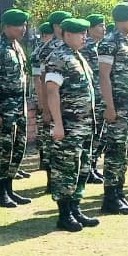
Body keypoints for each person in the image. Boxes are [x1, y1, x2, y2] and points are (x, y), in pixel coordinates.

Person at [45, 18, 100, 232]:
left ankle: (76, 209)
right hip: (69, 126)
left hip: (84, 125)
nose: (84, 36)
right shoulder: (58, 57)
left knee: (82, 168)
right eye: (80, 33)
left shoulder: (77, 57)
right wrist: (58, 124)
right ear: (67, 34)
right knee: (66, 169)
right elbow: (52, 91)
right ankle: (64, 214)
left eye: (85, 33)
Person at [97, 3, 128, 215]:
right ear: (124, 19)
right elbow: (104, 76)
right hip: (118, 107)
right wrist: (109, 107)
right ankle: (110, 197)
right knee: (115, 152)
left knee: (127, 150)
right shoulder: (110, 42)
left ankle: (119, 193)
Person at [0, 8, 32, 208]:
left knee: (18, 149)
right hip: (4, 109)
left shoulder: (17, 47)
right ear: (6, 27)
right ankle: (0, 193)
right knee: (4, 150)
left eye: (24, 25)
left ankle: (10, 189)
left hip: (18, 108)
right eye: (18, 25)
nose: (23, 29)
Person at [36, 11, 72, 190]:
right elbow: (43, 81)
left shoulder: (69, 46)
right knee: (53, 144)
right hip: (54, 104)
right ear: (57, 26)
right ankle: (52, 181)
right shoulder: (48, 49)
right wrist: (45, 108)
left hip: (69, 106)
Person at [29, 21, 55, 183]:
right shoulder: (39, 53)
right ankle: (45, 165)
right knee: (45, 136)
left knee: (48, 136)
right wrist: (42, 104)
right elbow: (38, 80)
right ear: (46, 35)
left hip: (48, 100)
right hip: (42, 101)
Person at [83, 13, 108, 184]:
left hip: (101, 99)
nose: (104, 28)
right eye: (100, 25)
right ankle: (88, 169)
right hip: (93, 101)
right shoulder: (87, 49)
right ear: (90, 29)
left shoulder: (101, 47)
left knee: (100, 136)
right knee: (92, 135)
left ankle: (93, 166)